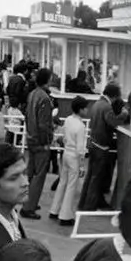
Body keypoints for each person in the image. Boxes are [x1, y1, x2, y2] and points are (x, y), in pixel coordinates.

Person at [78, 84, 129, 212]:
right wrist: (123, 114)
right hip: (101, 146)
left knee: (90, 176)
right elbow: (114, 122)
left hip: (93, 143)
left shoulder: (96, 104)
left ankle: (83, 202)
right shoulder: (106, 107)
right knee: (96, 178)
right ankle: (90, 206)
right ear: (114, 96)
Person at [49, 96, 88, 226]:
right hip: (74, 157)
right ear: (81, 109)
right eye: (85, 108)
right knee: (71, 186)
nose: (87, 110)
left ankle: (54, 210)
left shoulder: (68, 120)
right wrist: (82, 165)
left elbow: (64, 138)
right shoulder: (81, 126)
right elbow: (81, 148)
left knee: (62, 182)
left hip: (66, 153)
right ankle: (65, 216)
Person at [22, 68, 54, 219]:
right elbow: (43, 124)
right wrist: (46, 141)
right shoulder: (45, 99)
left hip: (30, 137)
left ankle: (27, 201)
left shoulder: (32, 94)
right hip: (40, 141)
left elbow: (28, 116)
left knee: (30, 173)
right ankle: (29, 207)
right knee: (39, 175)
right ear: (47, 80)